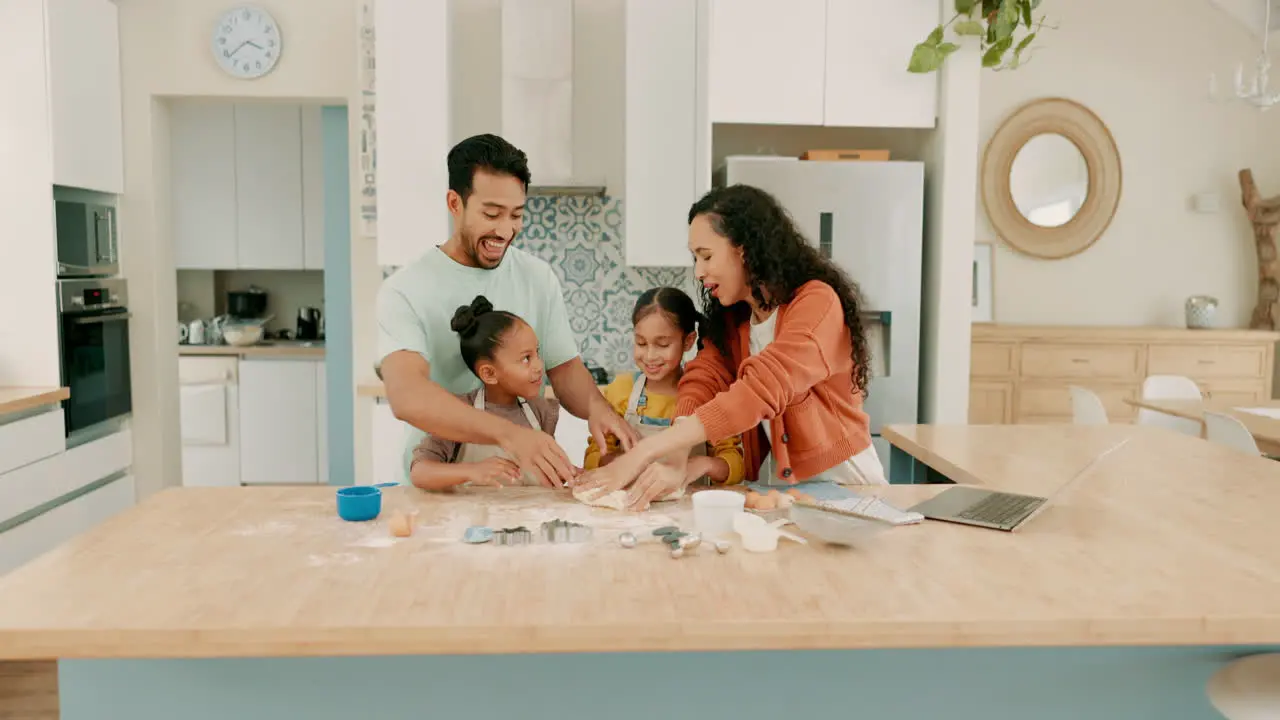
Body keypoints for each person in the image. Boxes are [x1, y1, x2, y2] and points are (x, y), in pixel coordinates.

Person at [573, 184, 885, 510]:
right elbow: (701, 380)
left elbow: (761, 388)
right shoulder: (737, 322)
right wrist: (677, 458)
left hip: (847, 486)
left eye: (706, 256)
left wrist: (644, 452)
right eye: (695, 258)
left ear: (744, 249)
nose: (699, 271)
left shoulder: (816, 303)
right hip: (784, 493)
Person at [375, 134, 637, 487]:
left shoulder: (537, 277)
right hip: (438, 497)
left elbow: (565, 369)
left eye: (516, 214)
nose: (505, 229)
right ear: (455, 203)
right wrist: (508, 434)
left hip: (519, 498)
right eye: (491, 213)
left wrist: (599, 410)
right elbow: (407, 396)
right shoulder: (406, 289)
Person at [582, 287, 745, 485]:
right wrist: (627, 463)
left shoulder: (707, 394)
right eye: (641, 343)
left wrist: (701, 464)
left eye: (662, 345)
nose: (650, 356)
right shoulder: (620, 390)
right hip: (631, 511)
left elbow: (735, 464)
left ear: (688, 341)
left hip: (687, 511)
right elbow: (593, 459)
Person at [410, 296, 560, 491]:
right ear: (489, 373)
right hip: (473, 521)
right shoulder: (459, 412)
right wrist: (472, 471)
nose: (539, 366)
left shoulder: (540, 411)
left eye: (537, 353)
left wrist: (572, 475)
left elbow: (548, 474)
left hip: (531, 521)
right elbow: (420, 472)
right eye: (526, 358)